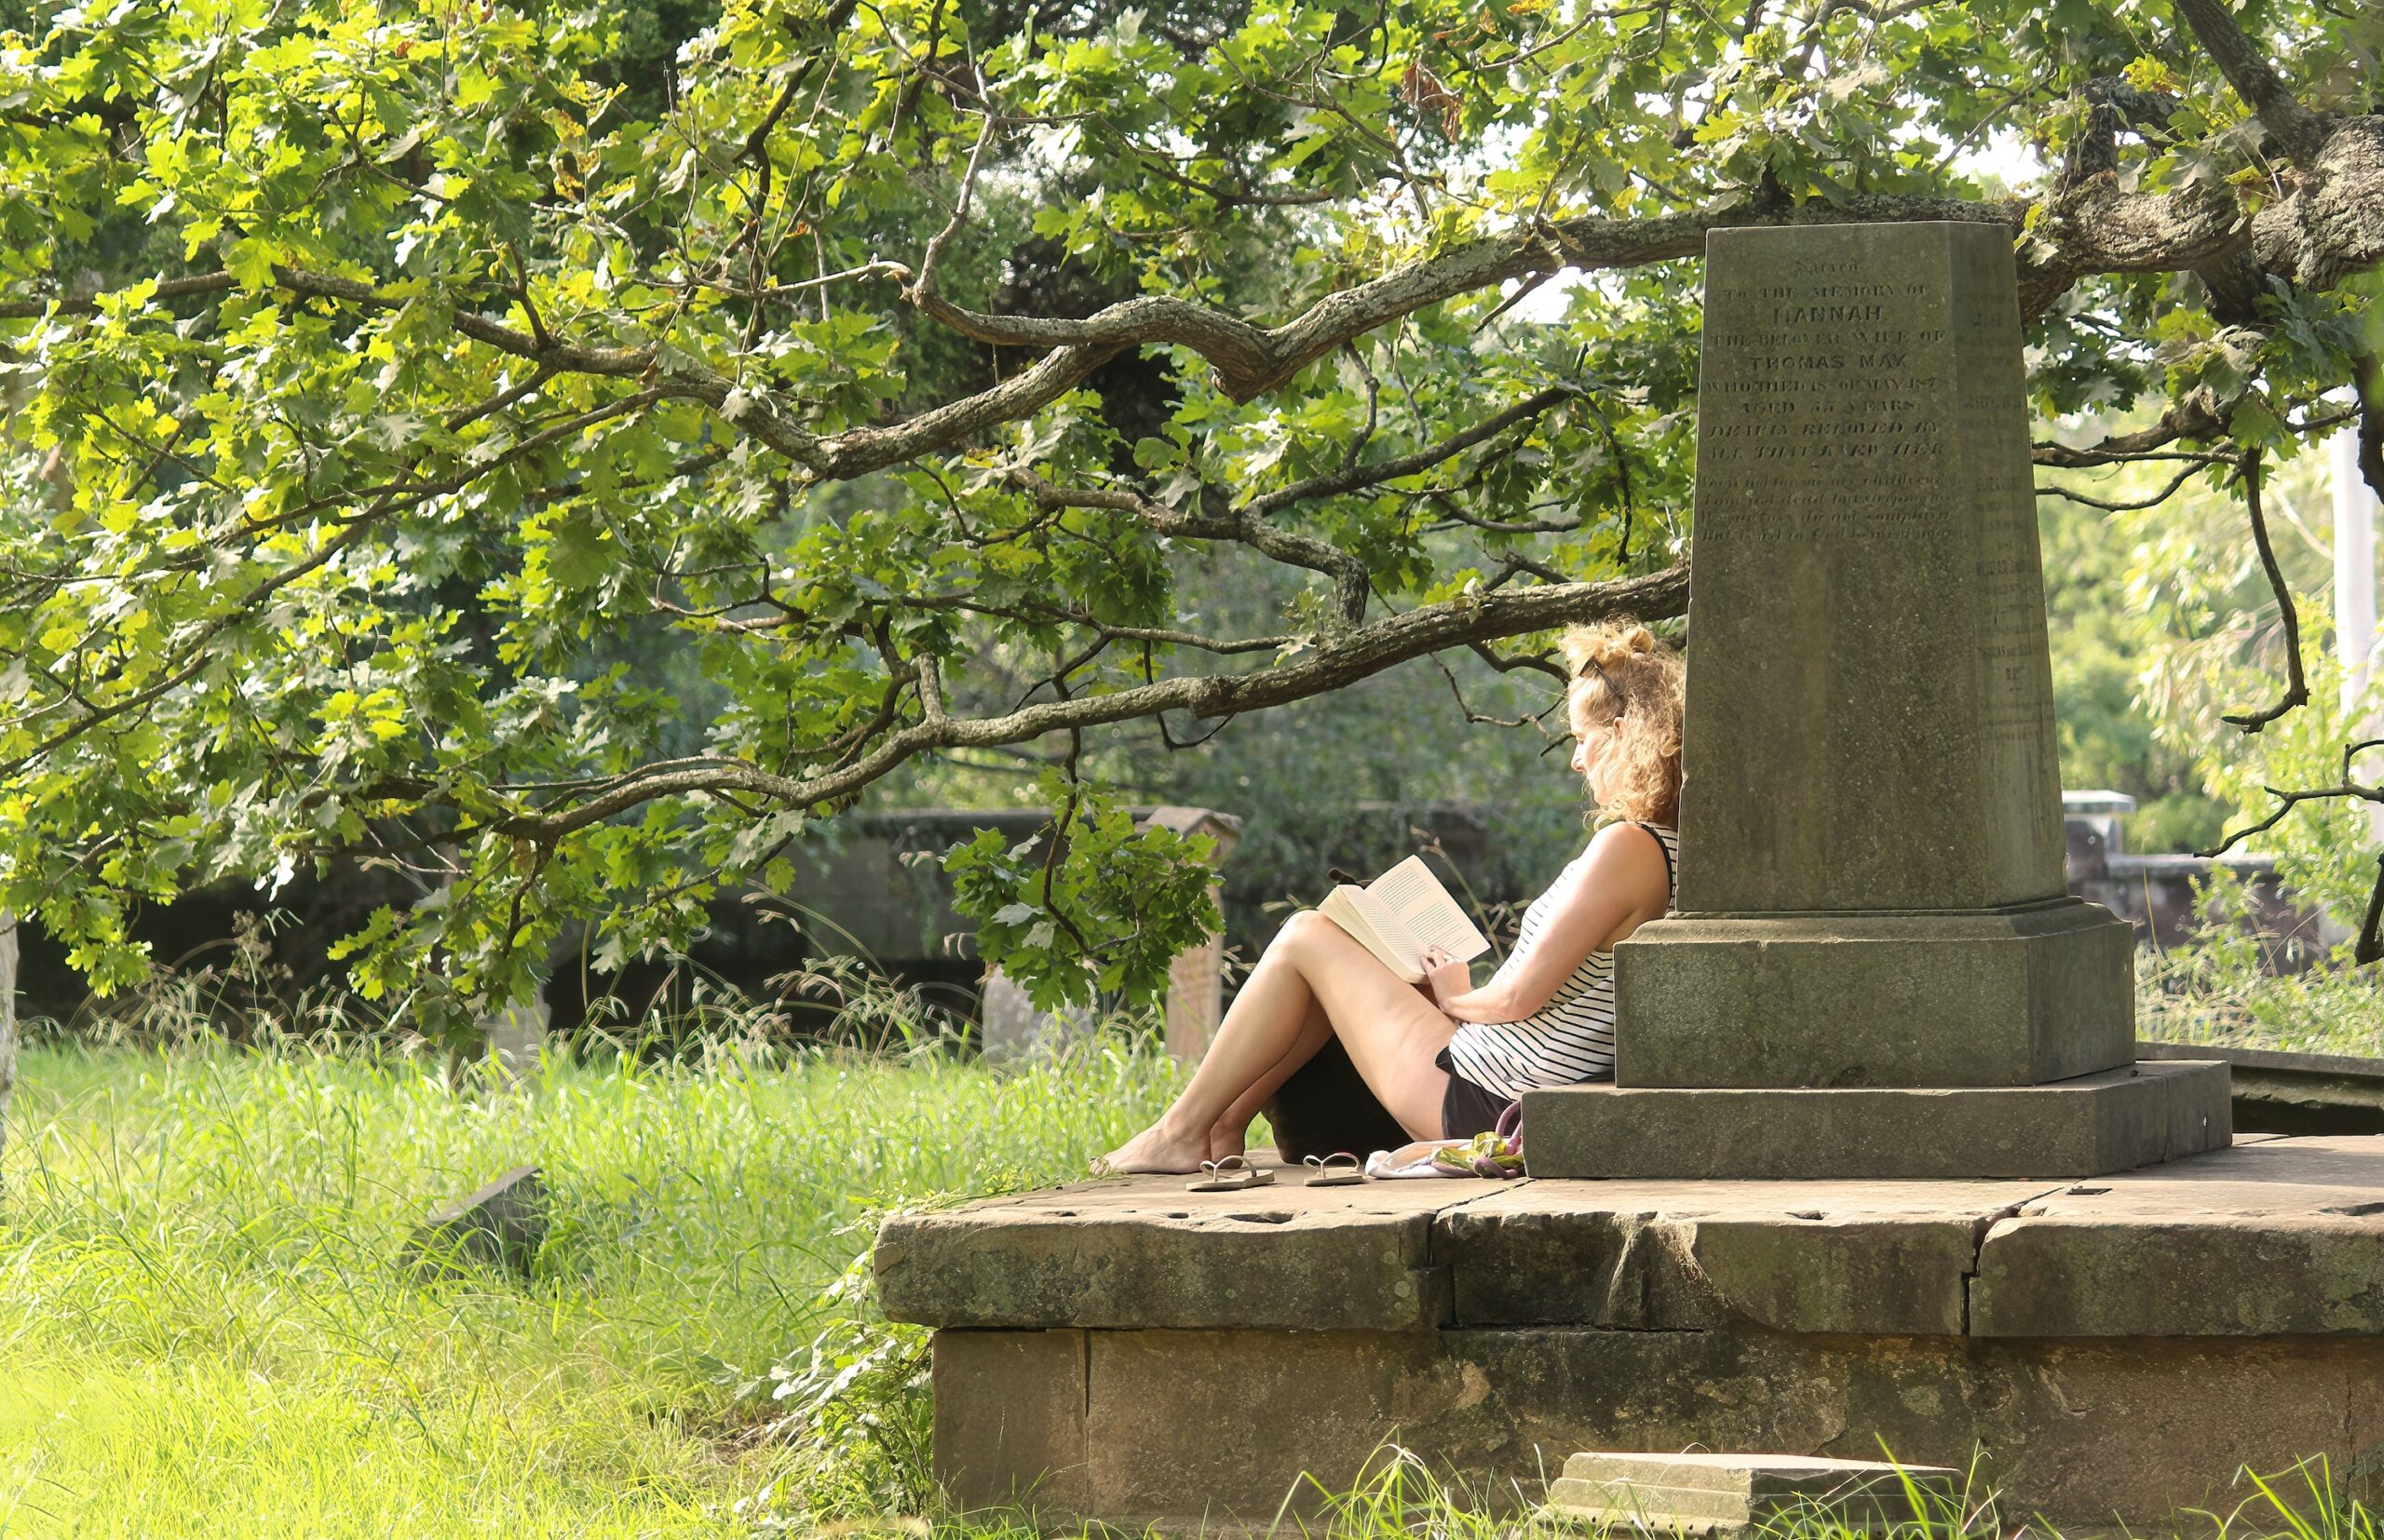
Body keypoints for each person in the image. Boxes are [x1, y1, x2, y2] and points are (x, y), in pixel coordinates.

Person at [1094, 618, 1686, 1175]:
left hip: (1486, 1100)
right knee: (1339, 959)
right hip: (1499, 1078)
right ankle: (1220, 1128)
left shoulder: (1628, 848)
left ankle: (1181, 1131)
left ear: (1625, 736)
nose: (1576, 758)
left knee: (1306, 934)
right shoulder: (1670, 851)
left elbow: (1515, 999)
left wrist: (1455, 996)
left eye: (1583, 739)